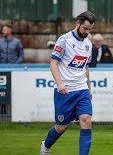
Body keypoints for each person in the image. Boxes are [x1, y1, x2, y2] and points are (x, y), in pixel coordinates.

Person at [39, 11, 95, 155]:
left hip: (82, 89)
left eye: (90, 29)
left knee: (86, 120)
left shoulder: (88, 44)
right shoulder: (64, 40)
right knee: (62, 126)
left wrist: (89, 88)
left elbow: (85, 68)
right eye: (85, 29)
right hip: (65, 90)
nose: (87, 32)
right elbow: (53, 63)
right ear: (78, 23)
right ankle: (45, 146)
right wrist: (60, 83)